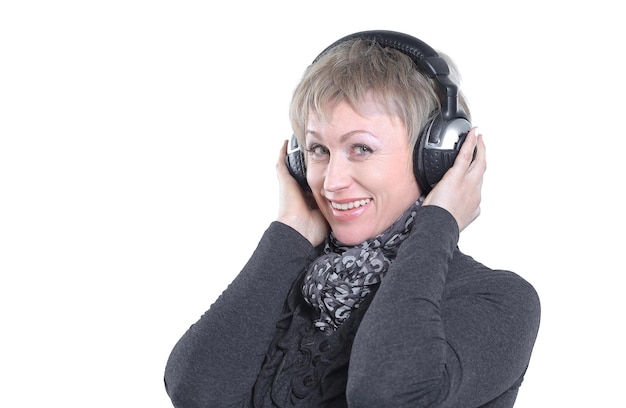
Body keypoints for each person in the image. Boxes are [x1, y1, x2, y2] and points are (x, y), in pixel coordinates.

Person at [164, 30, 540, 408]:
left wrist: (438, 223)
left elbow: (387, 394)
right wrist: (288, 234)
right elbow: (196, 392)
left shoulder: (499, 300)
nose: (331, 182)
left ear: (437, 157)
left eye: (361, 148)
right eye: (318, 150)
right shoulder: (284, 284)